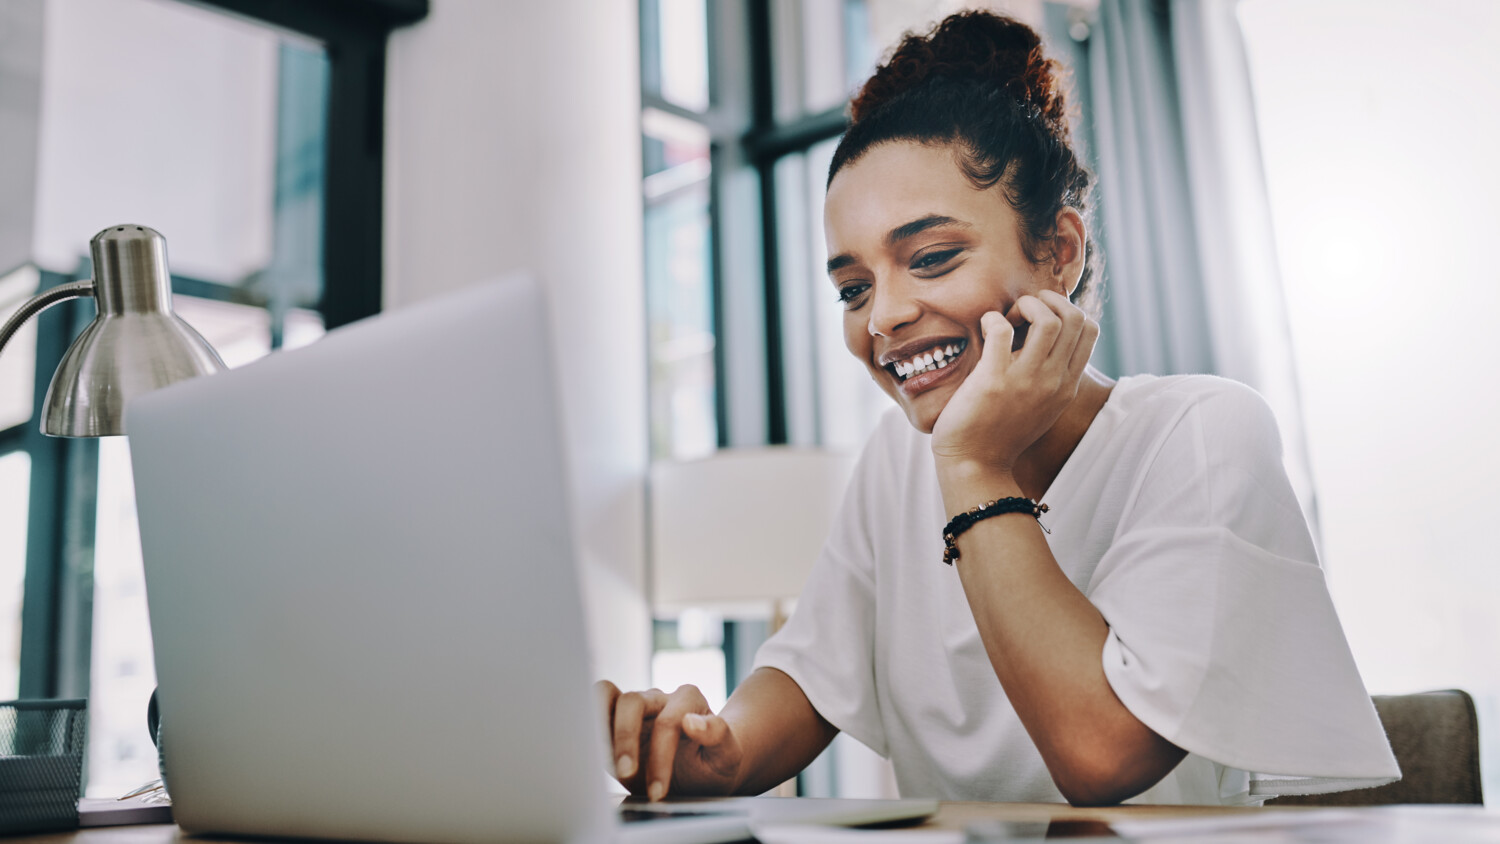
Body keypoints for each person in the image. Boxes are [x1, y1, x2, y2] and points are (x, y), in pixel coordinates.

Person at [597, 10, 1399, 806]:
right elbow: (807, 674)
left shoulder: (1200, 434)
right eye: (853, 287)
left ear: (1057, 254)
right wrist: (711, 752)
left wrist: (975, 465)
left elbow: (1101, 753)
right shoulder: (894, 461)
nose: (882, 318)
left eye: (933, 258)